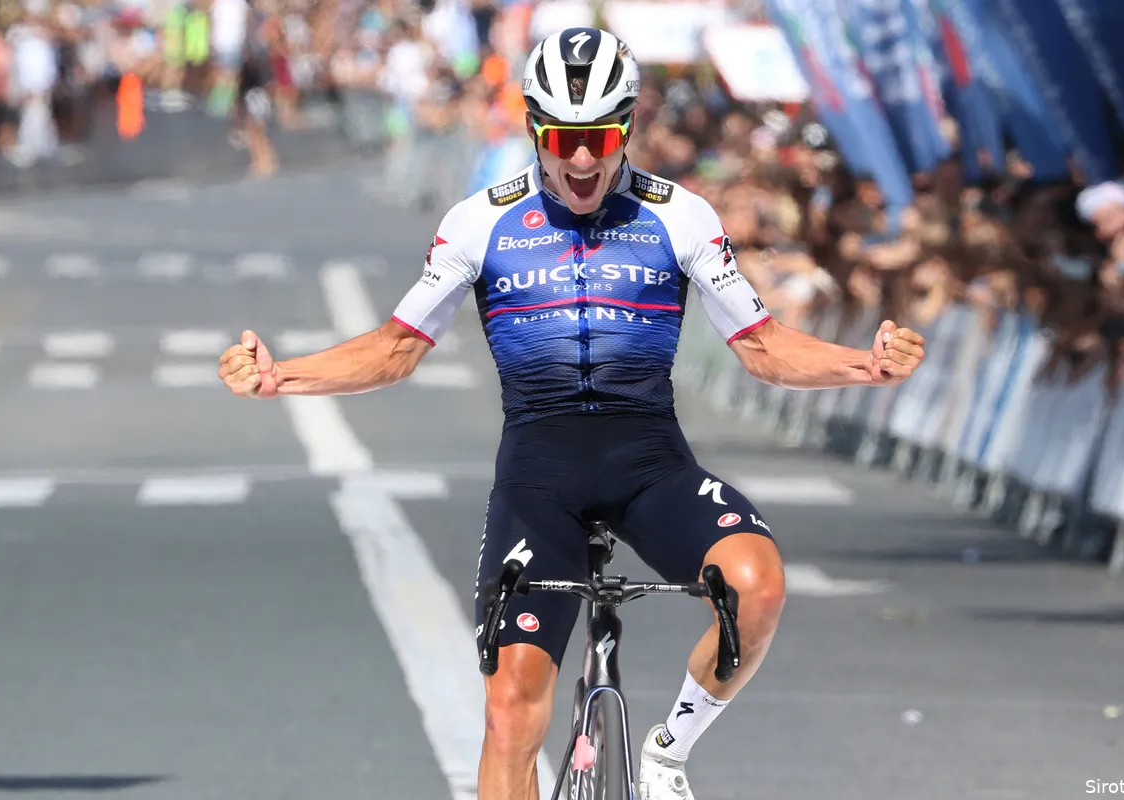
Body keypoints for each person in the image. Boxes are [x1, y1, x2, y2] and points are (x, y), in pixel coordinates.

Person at [217, 27, 926, 800]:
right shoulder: (479, 221)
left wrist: (865, 364)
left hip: (651, 468)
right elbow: (394, 349)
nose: (581, 160)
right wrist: (279, 377)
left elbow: (761, 346)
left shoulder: (680, 215)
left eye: (598, 137)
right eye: (561, 138)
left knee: (756, 584)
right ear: (533, 128)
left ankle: (665, 751)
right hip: (539, 483)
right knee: (511, 713)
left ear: (625, 128)